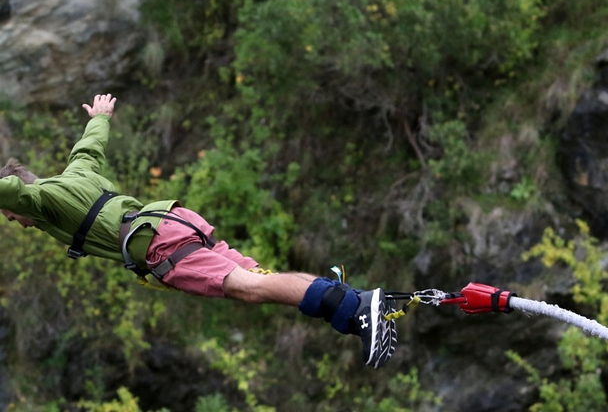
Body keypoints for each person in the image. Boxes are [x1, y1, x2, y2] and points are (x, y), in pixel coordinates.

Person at [0, 93, 397, 369]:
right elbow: (89, 147)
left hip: (157, 245)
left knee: (249, 288)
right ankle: (357, 306)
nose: (13, 220)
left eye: (9, 214)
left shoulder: (39, 200)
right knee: (261, 281)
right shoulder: (74, 175)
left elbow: (13, 192)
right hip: (173, 222)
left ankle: (355, 309)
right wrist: (100, 118)